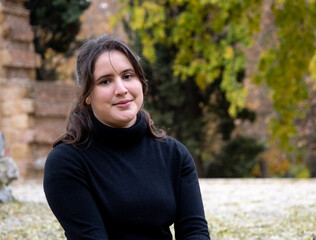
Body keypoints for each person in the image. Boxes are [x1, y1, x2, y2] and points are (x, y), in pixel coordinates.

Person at [43, 34, 210, 240]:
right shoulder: (66, 162)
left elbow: (195, 232)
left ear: (141, 82)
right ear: (87, 95)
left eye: (128, 76)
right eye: (105, 81)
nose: (121, 89)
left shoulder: (174, 153)